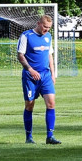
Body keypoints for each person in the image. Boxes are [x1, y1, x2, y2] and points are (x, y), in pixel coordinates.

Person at [17, 15, 60, 144]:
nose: (47, 30)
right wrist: (30, 69)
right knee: (30, 106)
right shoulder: (26, 36)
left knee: (51, 103)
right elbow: (20, 55)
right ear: (38, 23)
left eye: (49, 28)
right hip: (30, 76)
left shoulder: (48, 36)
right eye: (45, 27)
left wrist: (53, 74)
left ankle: (50, 136)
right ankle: (29, 137)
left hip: (45, 75)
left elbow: (49, 55)